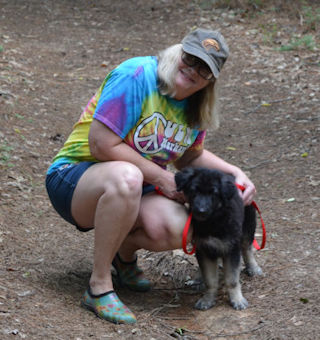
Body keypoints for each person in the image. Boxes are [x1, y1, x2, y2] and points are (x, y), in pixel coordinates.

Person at [45, 28, 256, 324]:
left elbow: (189, 156)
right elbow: (101, 144)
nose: (192, 70)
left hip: (135, 185)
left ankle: (123, 255)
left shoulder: (196, 103)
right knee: (127, 177)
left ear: (211, 79)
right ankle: (99, 286)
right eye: (190, 58)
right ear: (179, 51)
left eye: (203, 68)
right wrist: (161, 178)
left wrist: (235, 172)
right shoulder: (138, 75)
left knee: (179, 226)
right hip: (75, 177)